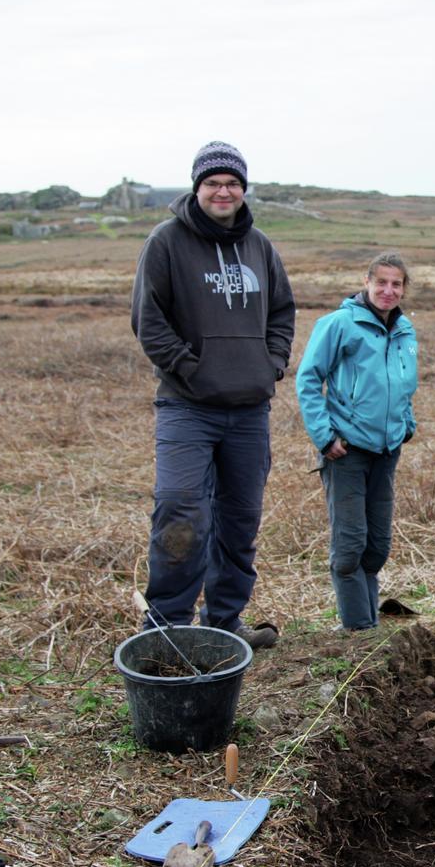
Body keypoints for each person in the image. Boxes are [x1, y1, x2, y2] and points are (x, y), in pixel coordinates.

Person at [131, 141, 295, 648]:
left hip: (249, 410)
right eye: (212, 184)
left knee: (239, 519)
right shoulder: (166, 242)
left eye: (231, 184)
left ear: (243, 190)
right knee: (181, 510)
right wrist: (188, 368)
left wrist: (270, 364)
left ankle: (224, 622)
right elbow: (148, 318)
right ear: (197, 188)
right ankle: (167, 626)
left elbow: (282, 313)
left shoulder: (260, 246)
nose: (222, 192)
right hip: (187, 408)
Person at [294, 254, 419, 631]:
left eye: (396, 284)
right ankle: (357, 630)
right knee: (350, 546)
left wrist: (406, 423)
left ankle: (369, 624)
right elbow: (308, 380)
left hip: (386, 452)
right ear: (366, 282)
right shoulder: (338, 324)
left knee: (377, 545)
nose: (388, 290)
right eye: (381, 282)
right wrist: (324, 436)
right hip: (346, 451)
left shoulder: (404, 329)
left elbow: (403, 384)